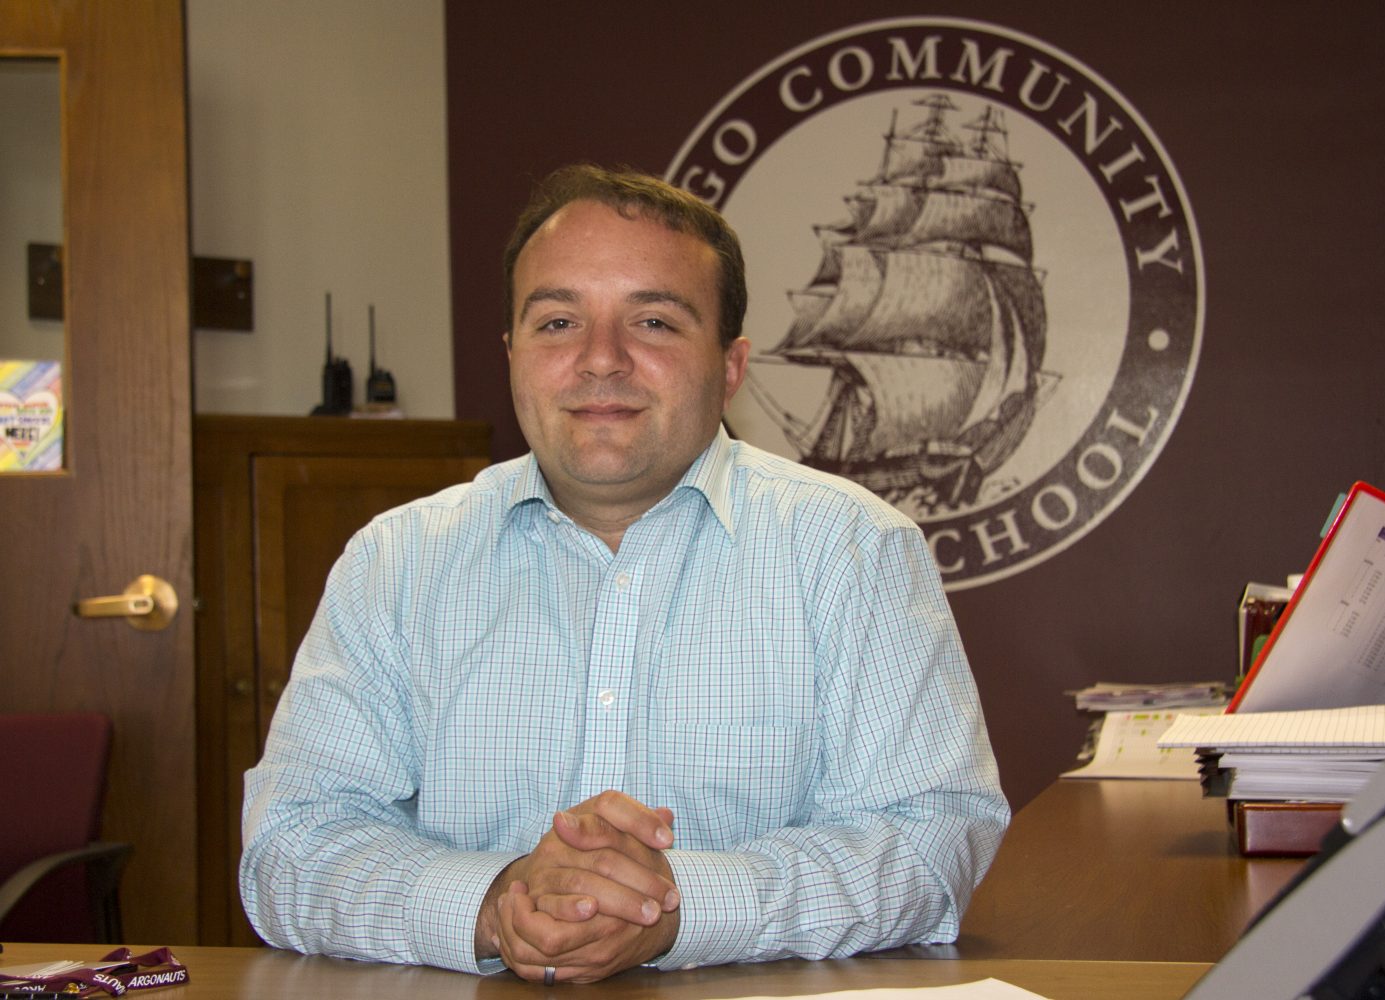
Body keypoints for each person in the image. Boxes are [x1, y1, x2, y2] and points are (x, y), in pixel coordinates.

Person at [240, 164, 1009, 984]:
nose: (600, 360)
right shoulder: (395, 561)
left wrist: (677, 907)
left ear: (733, 364)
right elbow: (292, 844)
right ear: (511, 355)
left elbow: (932, 841)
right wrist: (496, 902)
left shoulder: (856, 551)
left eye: (652, 321)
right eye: (558, 321)